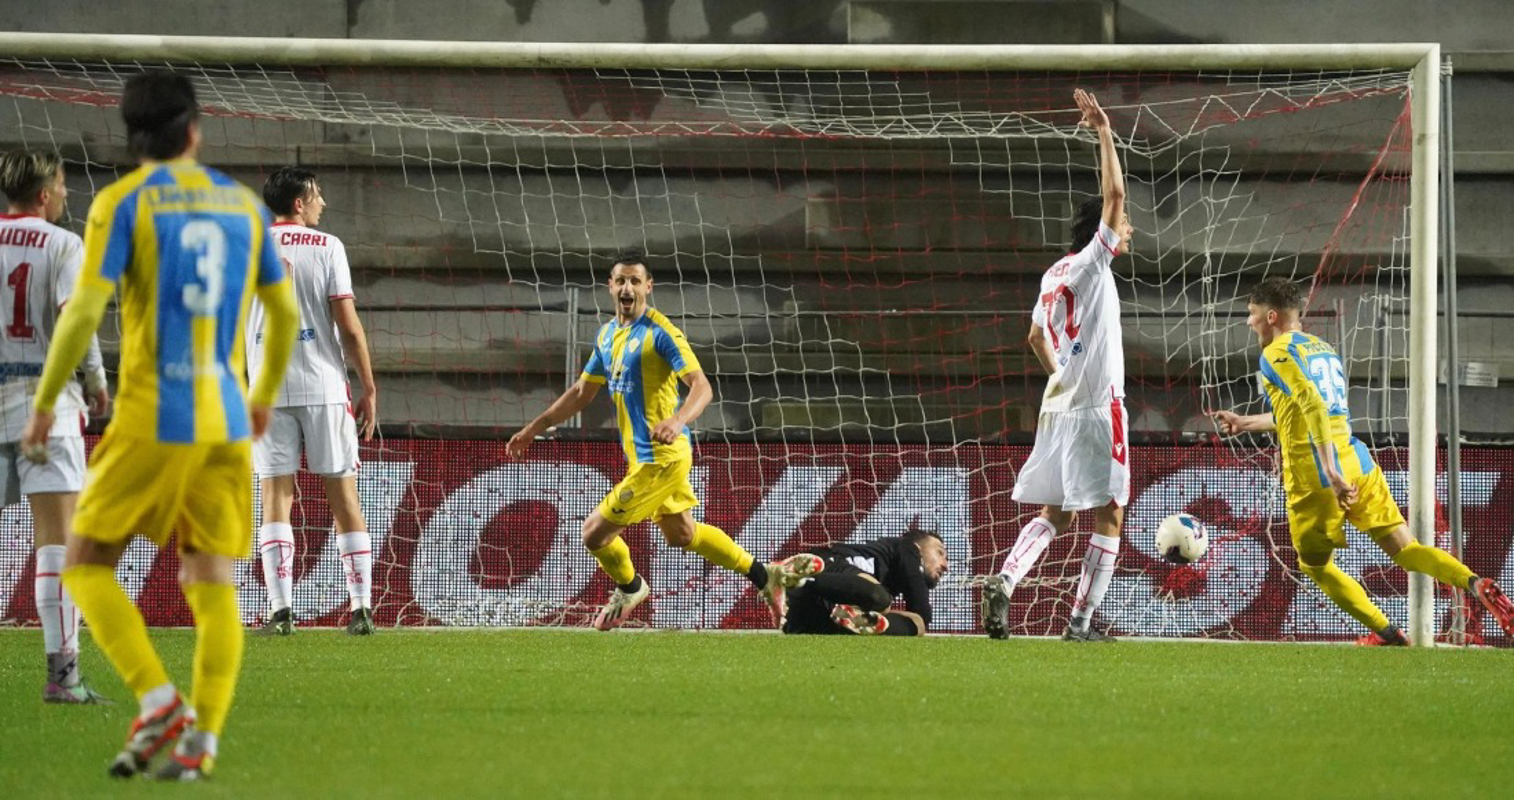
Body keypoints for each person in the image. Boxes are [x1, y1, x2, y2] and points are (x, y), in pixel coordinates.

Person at [21, 70, 298, 779]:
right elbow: (286, 313)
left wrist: (49, 399)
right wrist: (262, 392)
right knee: (212, 583)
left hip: (152, 416)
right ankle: (201, 744)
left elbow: (84, 312)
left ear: (130, 135)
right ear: (195, 130)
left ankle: (157, 697)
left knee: (83, 564)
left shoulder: (121, 204)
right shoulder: (243, 206)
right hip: (228, 418)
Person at [506, 250, 813, 630]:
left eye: (635, 281)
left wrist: (678, 418)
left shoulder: (661, 333)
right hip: (644, 458)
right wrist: (535, 427)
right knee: (683, 533)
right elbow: (583, 391)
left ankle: (630, 586)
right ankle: (765, 577)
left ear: (648, 287)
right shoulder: (607, 335)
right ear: (610, 287)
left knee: (594, 533)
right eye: (621, 280)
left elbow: (702, 387)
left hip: (662, 457)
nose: (627, 287)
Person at [1211, 277, 1514, 645]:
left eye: (1252, 314)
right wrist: (1246, 423)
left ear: (1271, 316)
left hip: (1318, 477)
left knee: (1315, 565)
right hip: (1359, 462)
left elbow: (1313, 407)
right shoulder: (1321, 348)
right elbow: (1306, 413)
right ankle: (1475, 583)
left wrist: (1330, 472)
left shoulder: (1274, 353)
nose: (1249, 322)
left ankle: (1385, 631)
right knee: (1407, 549)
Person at [981, 89, 1134, 643]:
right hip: (1098, 407)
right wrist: (1102, 131)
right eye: (1124, 224)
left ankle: (1005, 576)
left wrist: (1059, 374)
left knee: (1055, 512)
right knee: (1109, 516)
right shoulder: (1095, 265)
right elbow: (1114, 192)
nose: (1129, 228)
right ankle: (1080, 625)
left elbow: (1031, 335)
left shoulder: (1053, 274)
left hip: (1061, 405)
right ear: (1104, 230)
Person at [247, 166, 379, 637]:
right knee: (344, 495)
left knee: (274, 497)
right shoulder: (329, 247)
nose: (323, 202)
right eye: (317, 195)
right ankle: (361, 609)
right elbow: (349, 327)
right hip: (323, 385)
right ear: (299, 203)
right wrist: (369, 386)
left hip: (266, 387)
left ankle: (281, 612)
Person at [0, 149, 111, 703]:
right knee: (57, 542)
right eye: (64, 186)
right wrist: (94, 376)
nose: (67, 195)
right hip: (49, 402)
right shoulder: (65, 244)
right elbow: (76, 317)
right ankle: (62, 675)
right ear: (44, 193)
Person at [781, 530, 948, 637]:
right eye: (939, 552)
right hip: (824, 567)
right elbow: (921, 607)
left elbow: (921, 618)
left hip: (811, 619)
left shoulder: (889, 583)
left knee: (917, 625)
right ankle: (788, 577)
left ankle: (858, 620)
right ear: (919, 548)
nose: (945, 565)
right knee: (880, 598)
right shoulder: (908, 547)